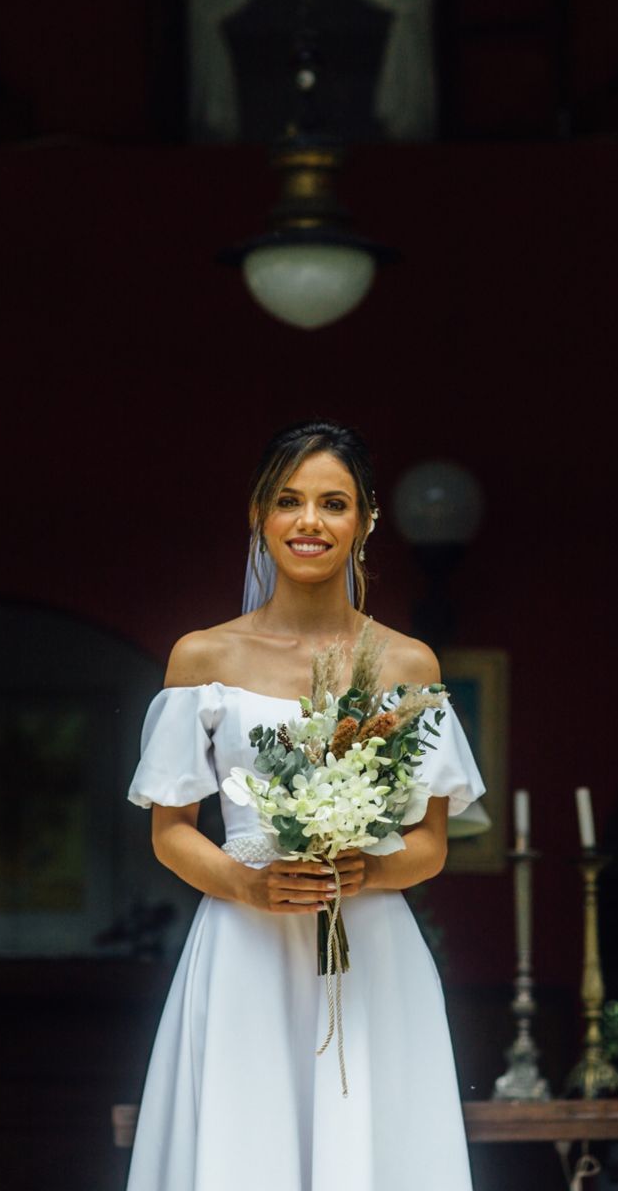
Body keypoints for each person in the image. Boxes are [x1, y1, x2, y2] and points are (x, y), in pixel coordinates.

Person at [124, 420, 485, 1191]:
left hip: (371, 952)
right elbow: (170, 832)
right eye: (288, 501)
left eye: (334, 503)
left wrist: (367, 869)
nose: (309, 522)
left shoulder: (408, 662)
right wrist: (249, 883)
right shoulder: (203, 657)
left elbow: (430, 845)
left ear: (367, 521)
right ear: (258, 514)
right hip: (245, 947)